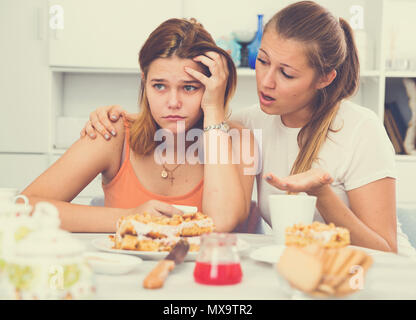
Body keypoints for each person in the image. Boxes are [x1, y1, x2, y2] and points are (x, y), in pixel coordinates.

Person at [82, 1, 416, 256]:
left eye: (286, 73)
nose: (266, 81)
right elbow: (180, 116)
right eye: (262, 60)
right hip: (301, 271)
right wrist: (119, 116)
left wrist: (323, 197)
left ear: (325, 77)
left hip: (374, 274)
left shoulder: (361, 129)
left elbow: (386, 249)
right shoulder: (251, 123)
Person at [22, 18, 257, 233]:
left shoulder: (239, 141)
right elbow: (24, 209)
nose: (173, 103)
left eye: (189, 87)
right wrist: (129, 218)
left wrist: (214, 112)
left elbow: (222, 222)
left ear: (211, 88)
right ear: (144, 83)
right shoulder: (113, 132)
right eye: (159, 86)